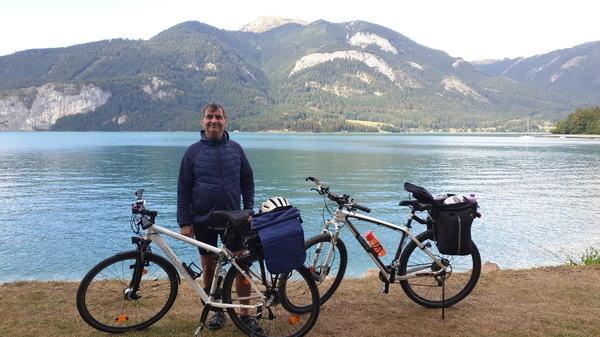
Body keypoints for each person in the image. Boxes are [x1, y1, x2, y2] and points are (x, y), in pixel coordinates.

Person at [177, 103, 258, 331]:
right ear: (202, 121)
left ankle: (245, 313)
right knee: (209, 268)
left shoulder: (236, 148)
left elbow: (247, 181)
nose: (214, 121)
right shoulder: (192, 152)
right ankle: (217, 311)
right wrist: (185, 222)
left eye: (218, 117)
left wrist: (248, 210)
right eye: (209, 117)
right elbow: (183, 189)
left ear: (225, 121)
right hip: (203, 220)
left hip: (235, 220)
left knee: (243, 268)